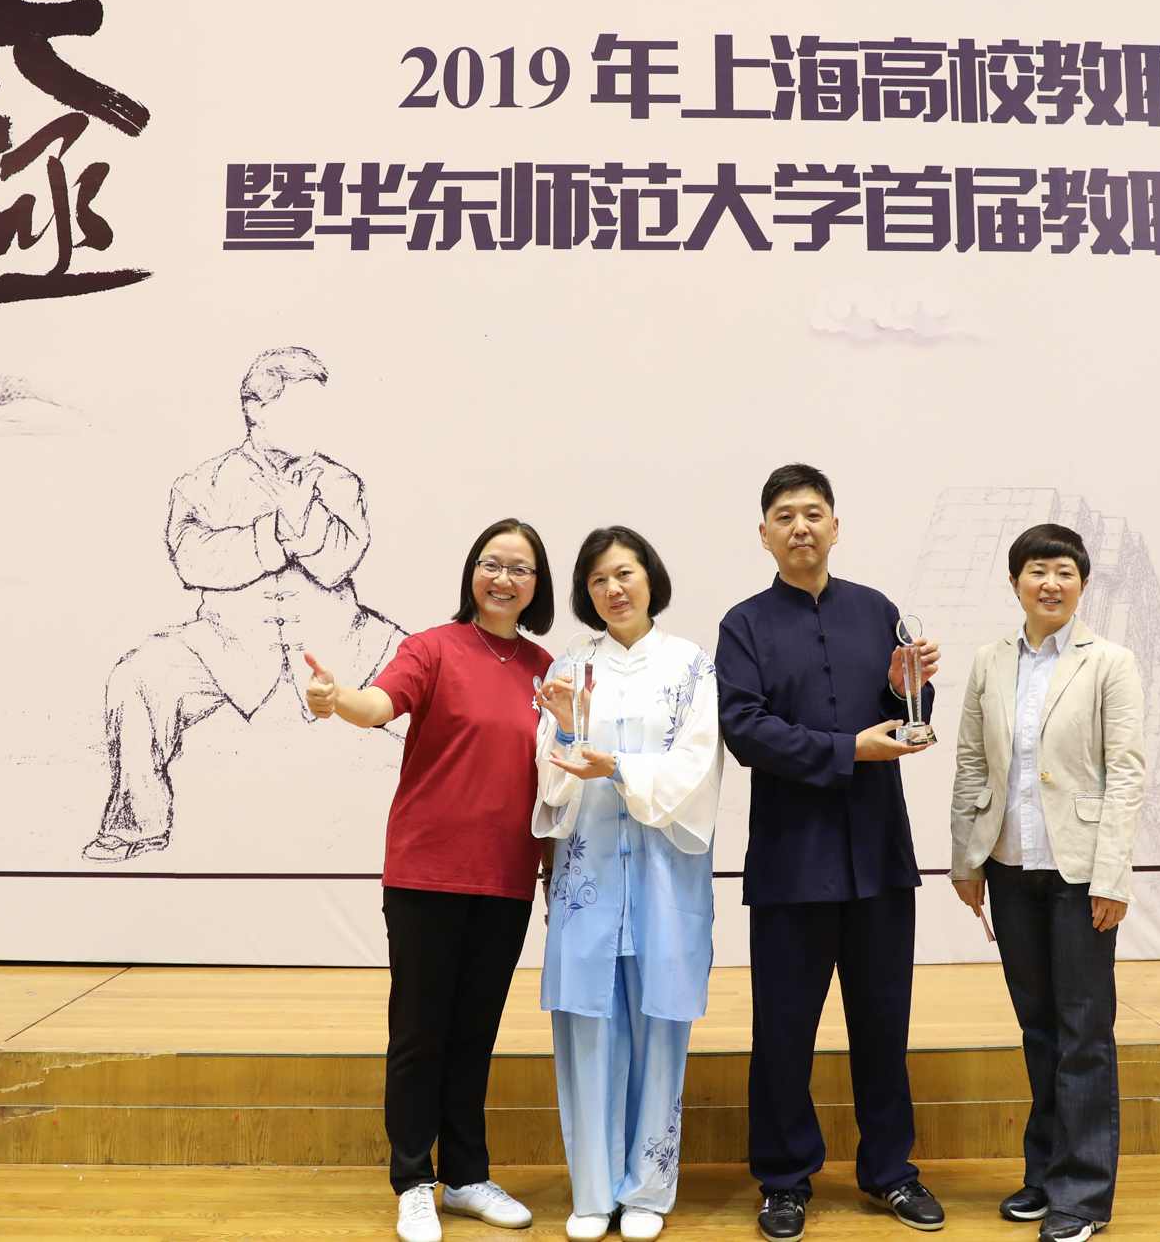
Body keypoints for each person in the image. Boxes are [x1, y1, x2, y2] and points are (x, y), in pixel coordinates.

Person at [303, 520, 555, 1242]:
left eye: (520, 568)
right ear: (472, 573)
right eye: (491, 564)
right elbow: (378, 705)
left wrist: (549, 872)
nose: (504, 579)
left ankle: (467, 1175)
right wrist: (335, 697)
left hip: (506, 878)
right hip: (427, 873)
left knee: (475, 1032)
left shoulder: (545, 668)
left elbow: (552, 777)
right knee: (420, 1032)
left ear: (536, 586)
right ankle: (414, 1181)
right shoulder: (433, 648)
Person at [715, 463, 945, 1242]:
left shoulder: (878, 609)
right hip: (791, 862)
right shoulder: (743, 625)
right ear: (764, 534)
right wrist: (849, 748)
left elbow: (907, 717)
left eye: (814, 512)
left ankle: (890, 1170)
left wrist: (906, 687)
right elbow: (746, 728)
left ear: (836, 526)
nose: (801, 526)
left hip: (878, 856)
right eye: (785, 515)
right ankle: (784, 1179)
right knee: (784, 1032)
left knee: (883, 1024)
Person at [84, 345, 403, 862]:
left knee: (443, 681)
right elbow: (193, 562)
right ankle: (135, 824)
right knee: (136, 677)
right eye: (299, 409)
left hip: (341, 638)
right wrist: (274, 532)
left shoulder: (340, 481)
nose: (314, 423)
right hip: (226, 643)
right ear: (256, 408)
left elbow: (340, 560)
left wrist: (304, 523)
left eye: (318, 410)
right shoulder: (201, 483)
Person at [949, 524, 1146, 1242]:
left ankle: (1083, 1195)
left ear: (1083, 584)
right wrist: (966, 859)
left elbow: (1126, 772)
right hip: (1009, 864)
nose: (1051, 583)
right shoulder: (990, 660)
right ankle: (1045, 1173)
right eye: (1037, 570)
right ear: (1015, 583)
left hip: (1080, 871)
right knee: (1037, 1026)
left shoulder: (1111, 662)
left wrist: (1112, 874)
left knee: (1083, 1030)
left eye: (1064, 571)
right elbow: (972, 761)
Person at [533, 527, 721, 1242]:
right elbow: (549, 770)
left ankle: (646, 1188)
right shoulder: (571, 664)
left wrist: (616, 768)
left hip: (664, 873)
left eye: (625, 574)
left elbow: (695, 765)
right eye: (598, 580)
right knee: (586, 1026)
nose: (613, 589)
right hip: (588, 874)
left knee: (659, 1027)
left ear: (650, 578)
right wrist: (562, 737)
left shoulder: (690, 664)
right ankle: (592, 1191)